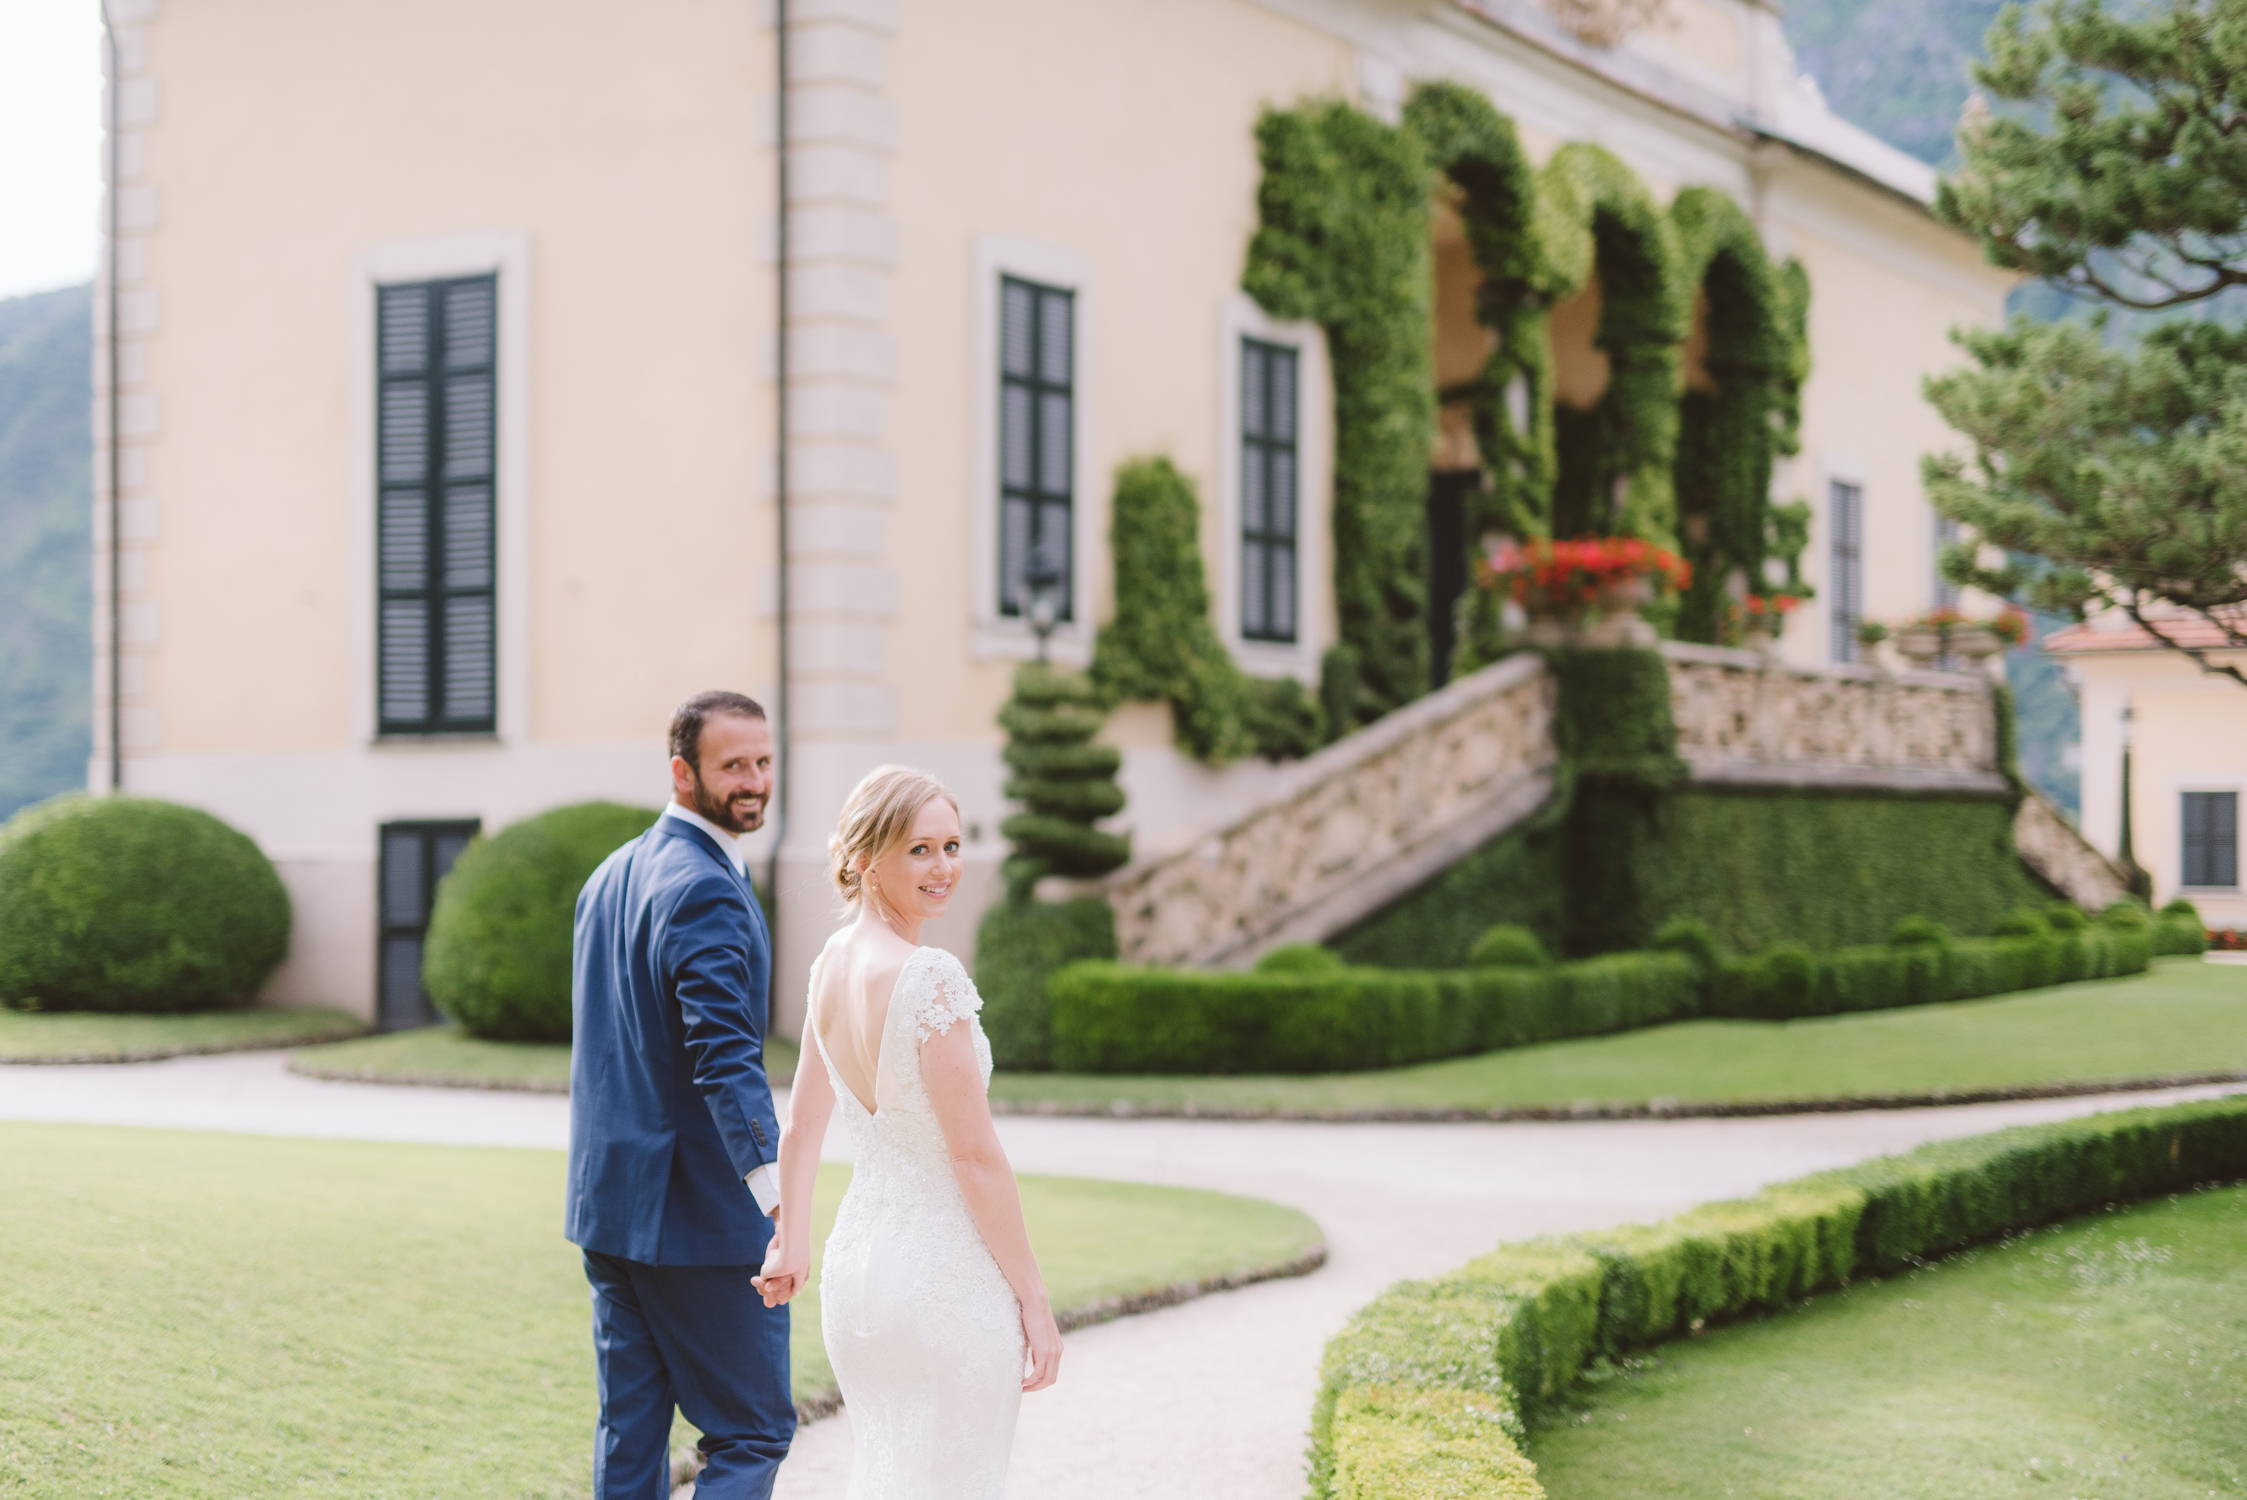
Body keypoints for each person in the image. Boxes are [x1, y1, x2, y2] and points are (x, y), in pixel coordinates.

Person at [753, 765, 1064, 1498]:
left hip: (859, 1276)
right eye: (919, 849)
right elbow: (975, 1157)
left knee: (887, 1473)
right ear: (865, 859)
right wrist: (1035, 1300)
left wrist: (791, 1242)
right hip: (943, 1280)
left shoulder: (827, 963)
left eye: (951, 845)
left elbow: (801, 1124)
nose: (944, 867)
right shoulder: (930, 978)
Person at [565, 691, 794, 1499]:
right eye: (733, 765)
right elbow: (723, 1056)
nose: (754, 781)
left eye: (763, 762)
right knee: (753, 1429)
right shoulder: (704, 887)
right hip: (697, 1220)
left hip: (610, 1209)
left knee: (630, 1434)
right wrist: (777, 1198)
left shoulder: (611, 873)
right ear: (682, 771)